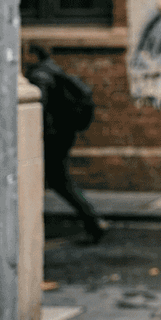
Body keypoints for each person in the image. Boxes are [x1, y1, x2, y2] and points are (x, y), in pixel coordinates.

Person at [26, 46, 108, 244]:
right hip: (64, 134)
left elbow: (39, 108)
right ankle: (92, 221)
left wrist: (36, 135)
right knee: (57, 180)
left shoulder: (40, 76)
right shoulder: (53, 68)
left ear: (32, 56)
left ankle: (92, 221)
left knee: (57, 180)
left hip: (51, 137)